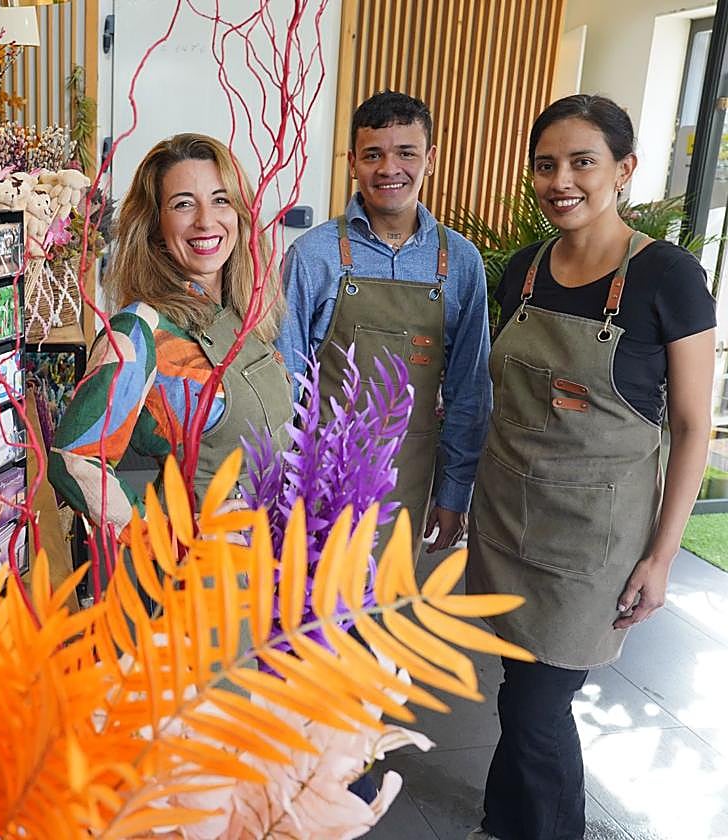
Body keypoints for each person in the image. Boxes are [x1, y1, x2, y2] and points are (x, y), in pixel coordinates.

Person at [466, 94, 716, 840]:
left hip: (592, 545)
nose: (560, 180)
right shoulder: (522, 270)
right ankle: (502, 820)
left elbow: (694, 425)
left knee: (538, 708)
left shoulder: (668, 277)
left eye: (582, 161)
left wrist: (662, 558)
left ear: (624, 170)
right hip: (508, 522)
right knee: (520, 689)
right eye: (546, 165)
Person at [47, 133, 293, 548]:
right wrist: (162, 532)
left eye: (221, 199)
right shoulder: (140, 329)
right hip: (197, 581)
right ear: (155, 225)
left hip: (267, 568)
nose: (205, 220)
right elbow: (73, 461)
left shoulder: (240, 317)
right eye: (183, 204)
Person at [277, 90, 492, 555]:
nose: (389, 169)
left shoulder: (461, 262)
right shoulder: (312, 257)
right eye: (373, 154)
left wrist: (454, 491)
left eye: (406, 153)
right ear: (353, 162)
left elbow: (469, 390)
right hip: (319, 483)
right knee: (313, 616)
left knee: (385, 617)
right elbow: (286, 384)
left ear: (430, 158)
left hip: (410, 484)